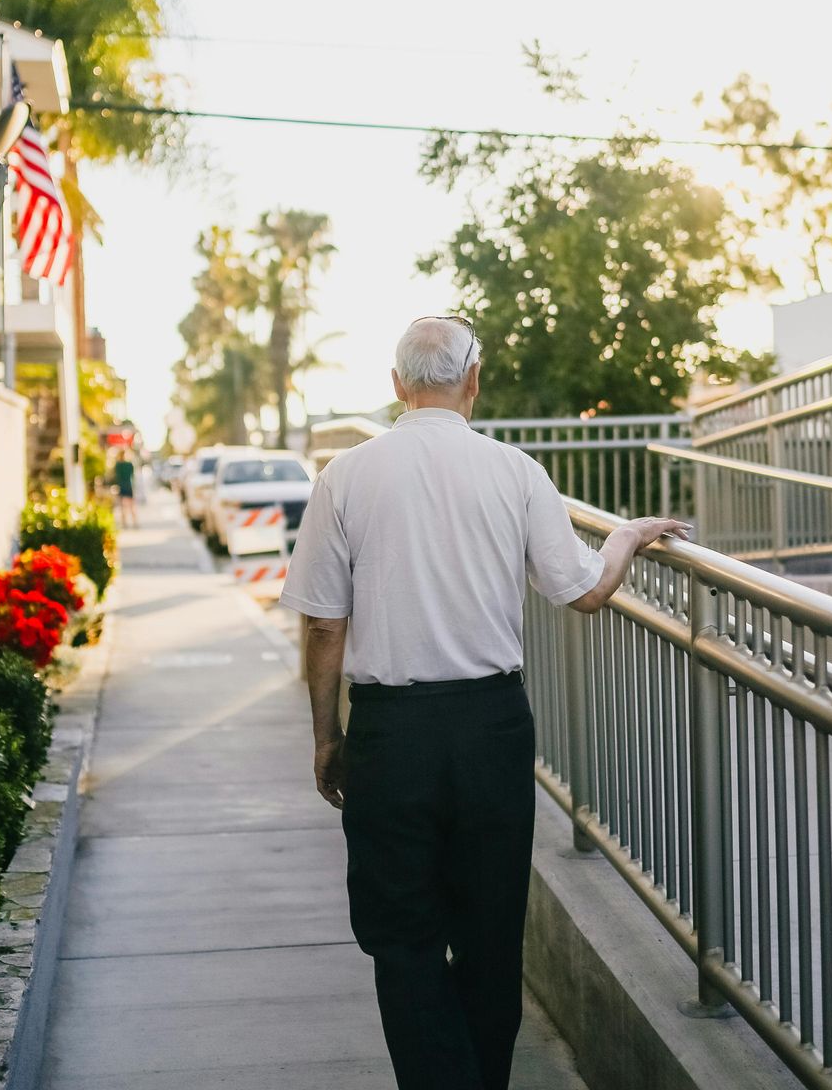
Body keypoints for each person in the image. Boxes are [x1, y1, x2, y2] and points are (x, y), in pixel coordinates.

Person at [281, 316, 688, 1090]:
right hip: (490, 728)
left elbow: (325, 625)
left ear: (397, 385)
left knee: (402, 940)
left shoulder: (346, 476)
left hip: (390, 734)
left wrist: (328, 737)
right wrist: (627, 536)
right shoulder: (516, 471)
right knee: (490, 932)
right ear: (474, 379)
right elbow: (585, 590)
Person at [113, 452, 139, 529]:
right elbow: (132, 475)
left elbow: (116, 476)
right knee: (131, 506)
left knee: (123, 506)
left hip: (122, 487)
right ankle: (134, 523)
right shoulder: (129, 464)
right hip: (128, 486)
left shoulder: (118, 465)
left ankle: (125, 524)